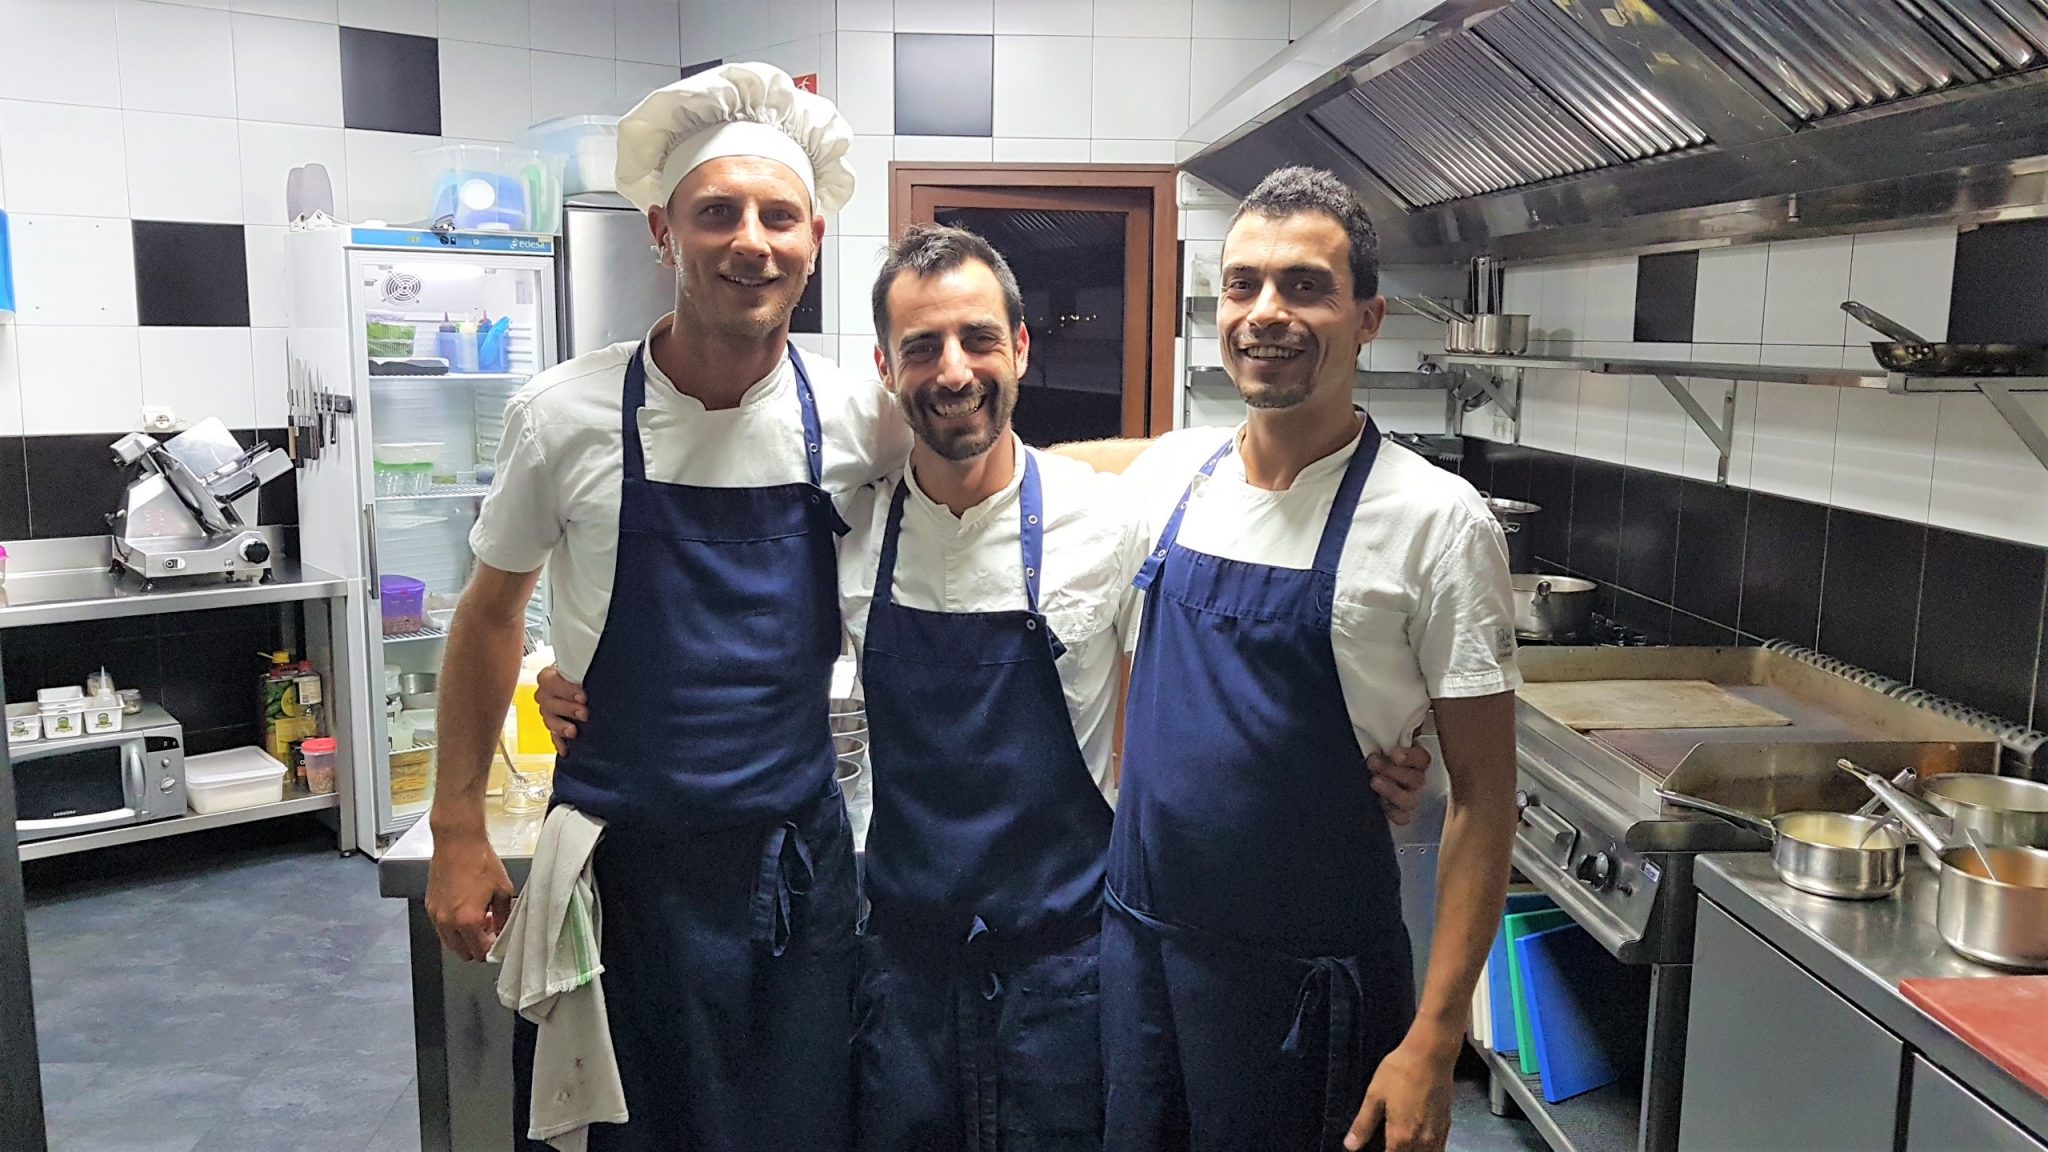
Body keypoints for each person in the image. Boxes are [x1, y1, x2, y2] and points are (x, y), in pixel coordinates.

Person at [533, 220, 1439, 1149]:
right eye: (922, 347)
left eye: (978, 340)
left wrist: (1363, 740)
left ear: (1021, 349)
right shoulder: (853, 526)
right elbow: (718, 622)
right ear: (887, 367)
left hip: (1072, 979)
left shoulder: (1112, 519)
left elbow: (1232, 646)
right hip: (902, 976)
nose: (954, 371)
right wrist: (574, 674)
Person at [423, 63, 908, 1151]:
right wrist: (458, 822)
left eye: (780, 216)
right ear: (662, 230)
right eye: (716, 212)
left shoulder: (858, 417)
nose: (752, 241)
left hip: (793, 877)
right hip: (621, 880)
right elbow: (489, 614)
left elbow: (1000, 488)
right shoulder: (564, 415)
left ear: (814, 239)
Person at [1096, 167, 1521, 1152]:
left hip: (1306, 999)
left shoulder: (1435, 524)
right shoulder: (1168, 477)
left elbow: (1484, 800)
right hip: (1144, 970)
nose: (1264, 313)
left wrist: (1432, 1039)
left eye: (1304, 286)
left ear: (1367, 317)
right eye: (1241, 285)